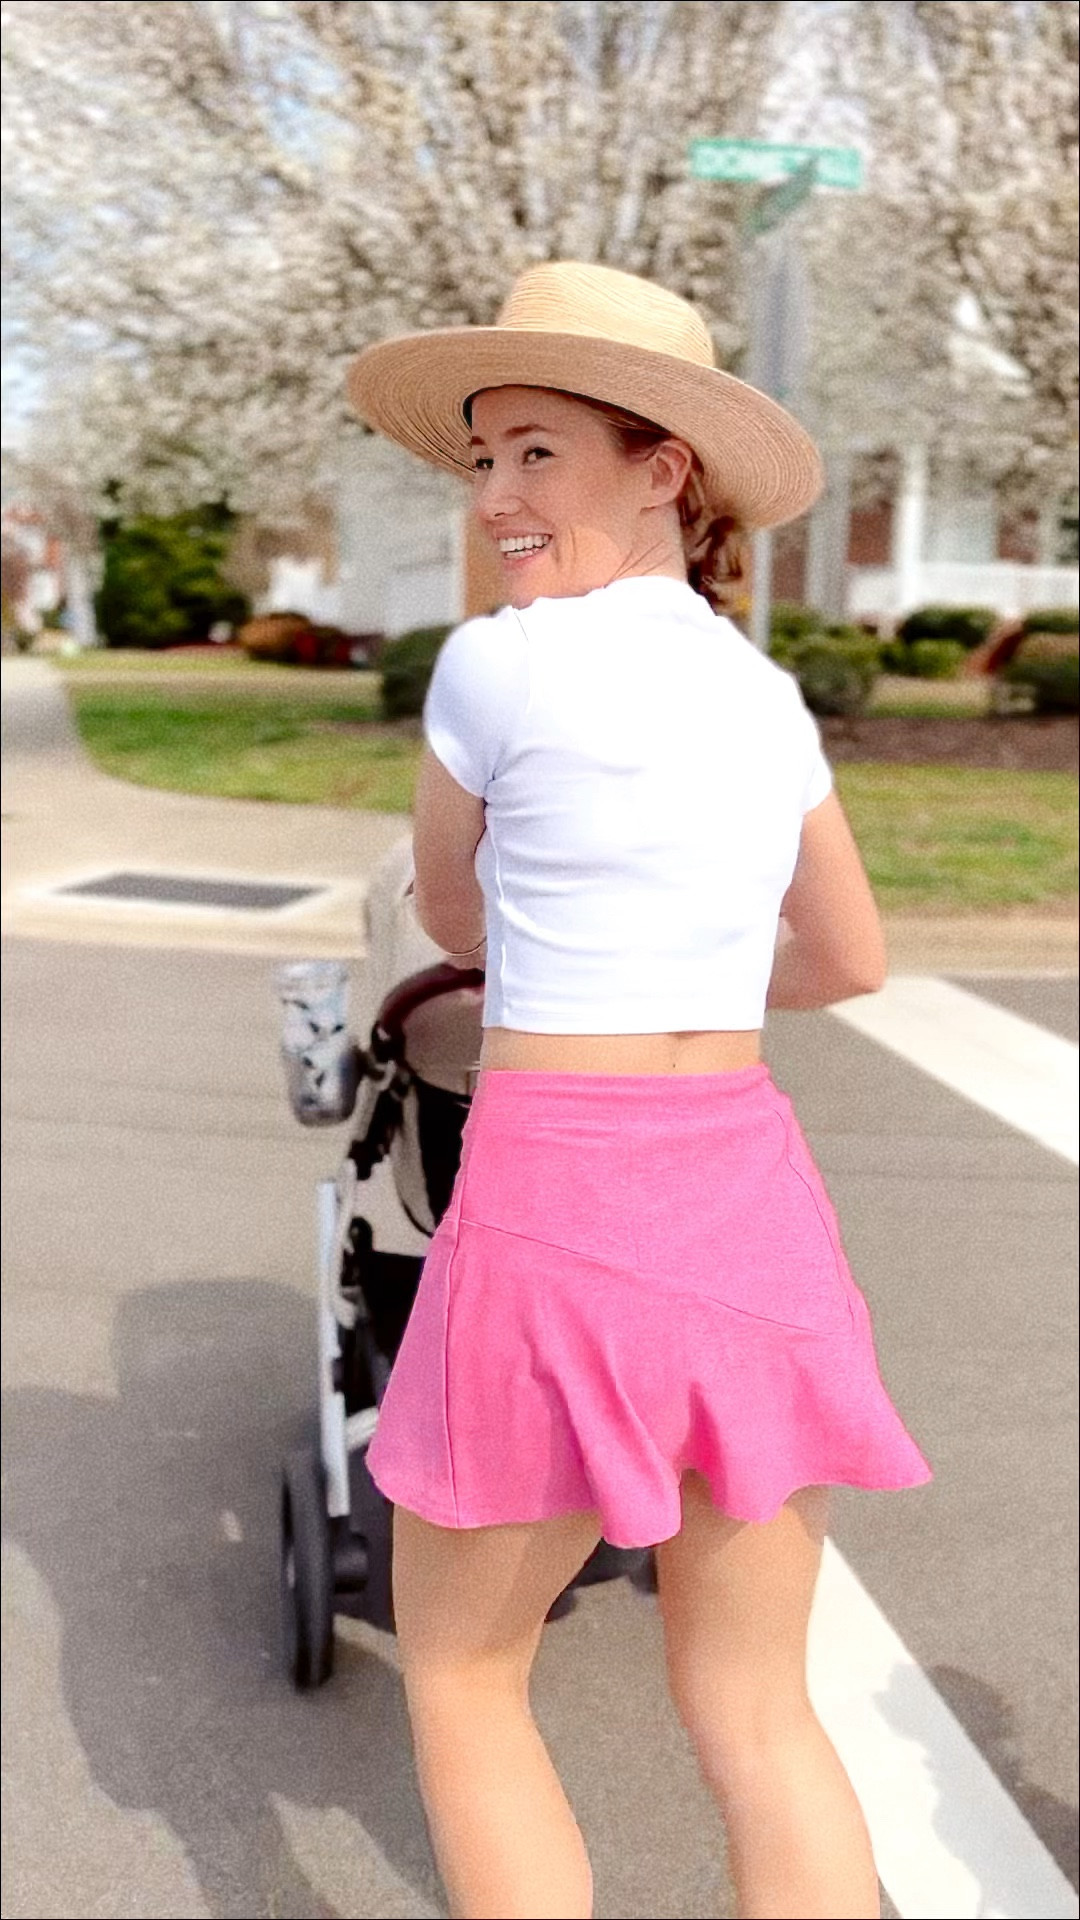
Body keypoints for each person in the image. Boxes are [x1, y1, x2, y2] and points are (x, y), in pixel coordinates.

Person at [346, 260, 931, 1920]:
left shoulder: (496, 668)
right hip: (748, 1196)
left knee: (465, 1679)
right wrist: (679, 972)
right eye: (480, 457)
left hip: (553, 1199)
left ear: (662, 462)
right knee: (757, 1710)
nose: (494, 497)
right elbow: (848, 960)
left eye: (536, 451)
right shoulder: (764, 698)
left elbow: (453, 919)